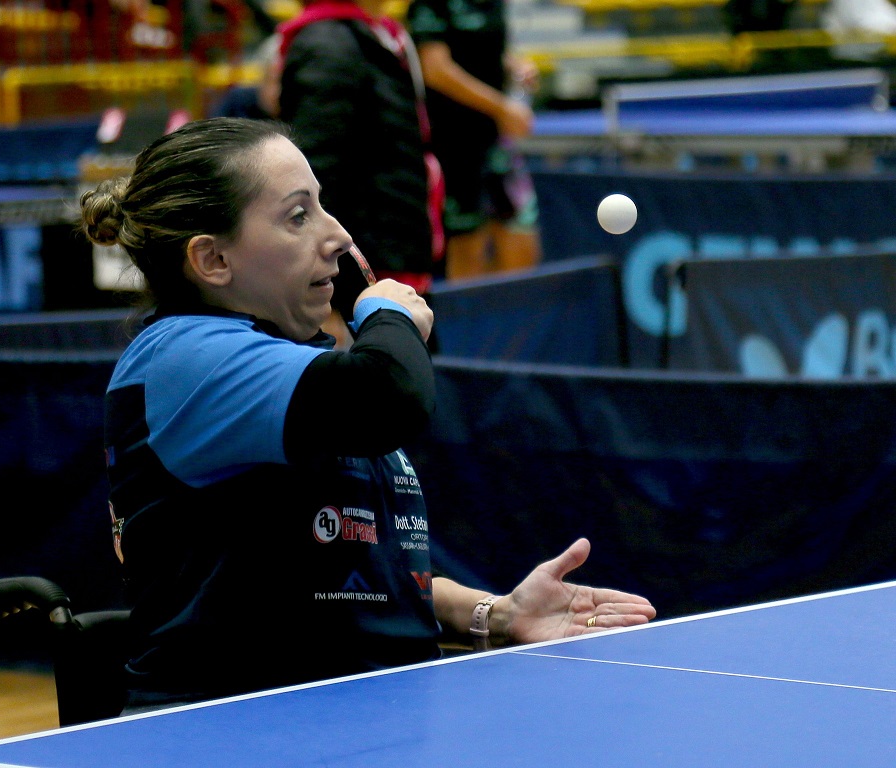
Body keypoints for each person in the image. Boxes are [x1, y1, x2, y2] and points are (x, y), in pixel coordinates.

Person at [80, 117, 656, 713]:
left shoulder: (295, 368)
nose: (338, 236)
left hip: (359, 719)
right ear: (213, 259)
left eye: (321, 206)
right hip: (231, 729)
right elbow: (389, 395)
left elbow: (353, 582)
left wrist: (496, 613)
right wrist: (389, 317)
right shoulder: (183, 358)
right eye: (297, 216)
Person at [276, 0, 445, 345]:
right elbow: (314, 178)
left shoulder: (377, 35)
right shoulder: (327, 44)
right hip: (361, 276)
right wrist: (322, 295)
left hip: (395, 257)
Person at [406, 0, 542, 280]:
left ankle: (511, 311)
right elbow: (435, 69)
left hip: (498, 144)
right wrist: (501, 108)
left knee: (523, 244)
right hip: (454, 145)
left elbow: (484, 49)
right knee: (468, 252)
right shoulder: (430, 5)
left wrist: (514, 66)